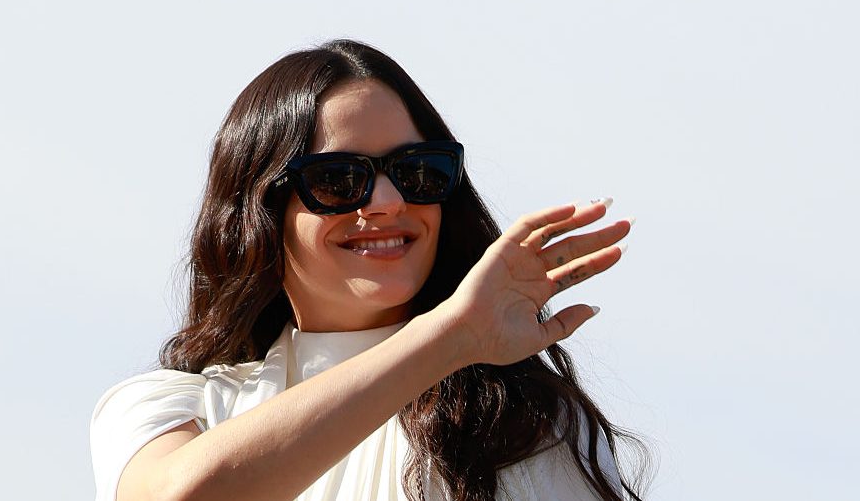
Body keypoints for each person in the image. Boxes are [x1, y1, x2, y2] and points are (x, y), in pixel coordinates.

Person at [90, 39, 648, 501]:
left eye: (417, 171)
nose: (386, 200)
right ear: (260, 211)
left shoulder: (522, 421)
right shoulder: (170, 408)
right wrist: (453, 336)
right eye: (337, 179)